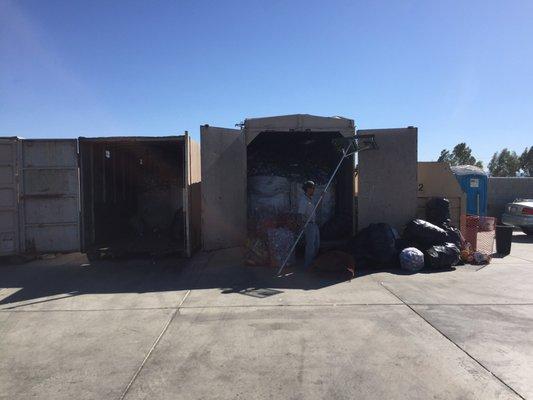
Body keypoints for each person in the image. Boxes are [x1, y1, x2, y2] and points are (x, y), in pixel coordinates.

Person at [298, 180, 320, 269]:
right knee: (310, 246)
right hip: (308, 225)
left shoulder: (310, 199)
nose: (314, 190)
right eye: (313, 188)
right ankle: (308, 265)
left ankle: (313, 262)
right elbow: (301, 214)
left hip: (314, 224)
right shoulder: (303, 200)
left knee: (317, 244)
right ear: (308, 189)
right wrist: (302, 225)